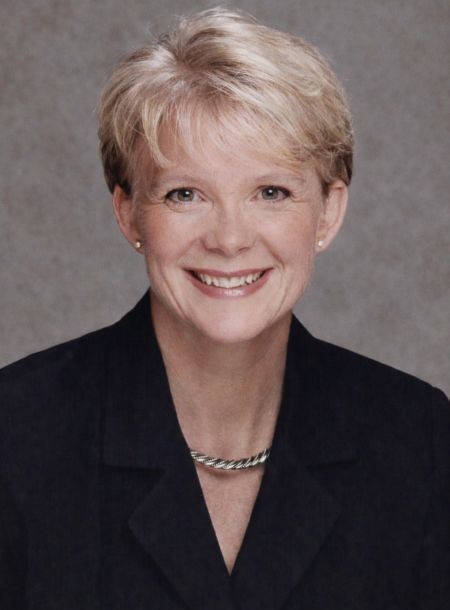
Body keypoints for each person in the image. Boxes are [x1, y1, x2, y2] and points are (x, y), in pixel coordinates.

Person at [0, 7, 448, 610]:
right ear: (129, 214)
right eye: (185, 194)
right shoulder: (16, 435)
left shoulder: (417, 440)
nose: (230, 239)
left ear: (328, 213)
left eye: (271, 192)